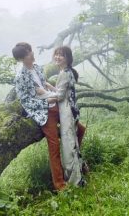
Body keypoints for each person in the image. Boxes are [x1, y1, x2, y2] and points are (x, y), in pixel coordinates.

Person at [12, 42, 67, 191]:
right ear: (23, 58)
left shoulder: (37, 67)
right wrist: (46, 102)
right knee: (54, 146)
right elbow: (25, 101)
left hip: (55, 103)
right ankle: (60, 185)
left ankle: (77, 164)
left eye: (31, 50)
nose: (32, 53)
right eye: (29, 53)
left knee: (79, 130)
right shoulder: (20, 76)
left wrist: (53, 89)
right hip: (44, 111)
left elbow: (43, 84)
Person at [53, 45, 88, 187]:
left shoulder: (64, 73)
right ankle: (78, 173)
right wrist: (50, 88)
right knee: (72, 144)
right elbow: (62, 91)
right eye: (56, 54)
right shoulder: (68, 72)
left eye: (61, 55)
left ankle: (75, 181)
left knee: (69, 147)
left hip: (67, 112)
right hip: (71, 111)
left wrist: (42, 95)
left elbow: (60, 96)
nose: (57, 57)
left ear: (67, 58)